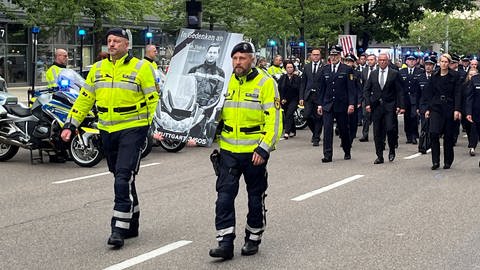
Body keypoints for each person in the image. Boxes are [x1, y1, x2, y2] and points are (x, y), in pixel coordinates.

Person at [60, 28, 159, 248]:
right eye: (109, 41)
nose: (112, 44)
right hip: (107, 131)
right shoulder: (96, 69)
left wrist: (155, 127)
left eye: (116, 41)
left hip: (133, 129)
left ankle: (118, 229)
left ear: (127, 45)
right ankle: (132, 223)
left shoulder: (141, 68)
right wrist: (70, 124)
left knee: (123, 176)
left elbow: (153, 100)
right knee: (121, 177)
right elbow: (84, 100)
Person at [209, 42, 282, 260]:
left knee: (254, 198)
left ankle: (253, 237)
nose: (238, 62)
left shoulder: (266, 83)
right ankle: (225, 242)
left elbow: (275, 121)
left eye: (242, 58)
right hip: (229, 151)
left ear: (252, 59)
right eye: (235, 58)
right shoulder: (226, 81)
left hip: (254, 153)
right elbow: (214, 114)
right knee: (224, 197)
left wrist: (264, 148)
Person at [363, 53, 405, 164]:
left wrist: (401, 106)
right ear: (377, 61)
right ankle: (379, 155)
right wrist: (367, 103)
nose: (382, 62)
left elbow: (400, 91)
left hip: (389, 106)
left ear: (388, 61)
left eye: (384, 60)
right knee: (377, 131)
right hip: (376, 106)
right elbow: (366, 90)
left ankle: (391, 148)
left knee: (390, 128)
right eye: (380, 60)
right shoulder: (373, 74)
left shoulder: (394, 74)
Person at [423, 53, 462, 170]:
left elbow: (458, 93)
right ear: (439, 62)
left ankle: (448, 160)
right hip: (436, 107)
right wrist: (428, 109)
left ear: (449, 63)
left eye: (446, 62)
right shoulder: (434, 76)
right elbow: (430, 94)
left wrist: (457, 109)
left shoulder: (455, 76)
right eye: (442, 61)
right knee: (434, 133)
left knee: (448, 136)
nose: (444, 64)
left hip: (449, 108)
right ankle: (435, 161)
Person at [317, 45, 355, 162]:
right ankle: (327, 155)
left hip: (342, 104)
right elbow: (321, 89)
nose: (333, 57)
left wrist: (351, 103)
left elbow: (351, 88)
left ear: (340, 56)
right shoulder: (325, 69)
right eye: (332, 55)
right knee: (327, 130)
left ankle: (347, 149)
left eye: (336, 55)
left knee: (343, 130)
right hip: (328, 104)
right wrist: (320, 104)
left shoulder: (347, 69)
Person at [188, 43, 225, 140]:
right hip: (190, 106)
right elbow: (185, 87)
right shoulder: (194, 69)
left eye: (214, 52)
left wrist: (206, 107)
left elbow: (218, 94)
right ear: (206, 53)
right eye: (210, 52)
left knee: (197, 135)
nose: (211, 54)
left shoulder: (220, 73)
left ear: (217, 55)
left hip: (206, 109)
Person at [299, 48, 323, 146]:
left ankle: (316, 137)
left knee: (318, 117)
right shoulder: (307, 67)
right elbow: (303, 83)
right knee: (306, 116)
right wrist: (301, 97)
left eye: (317, 54)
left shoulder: (324, 67)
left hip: (319, 95)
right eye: (314, 54)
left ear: (320, 56)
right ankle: (315, 132)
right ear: (311, 56)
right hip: (308, 95)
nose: (316, 56)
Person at [399, 55, 422, 144]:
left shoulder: (420, 71)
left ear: (416, 61)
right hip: (405, 98)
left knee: (414, 117)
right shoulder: (401, 72)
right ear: (406, 61)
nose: (411, 62)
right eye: (409, 60)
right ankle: (408, 136)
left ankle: (414, 135)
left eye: (413, 60)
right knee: (407, 118)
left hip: (415, 98)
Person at [278, 61, 301, 139]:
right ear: (285, 68)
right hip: (285, 100)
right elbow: (280, 89)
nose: (290, 69)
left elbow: (299, 89)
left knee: (289, 113)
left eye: (291, 67)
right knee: (288, 115)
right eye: (288, 67)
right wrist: (282, 98)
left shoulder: (297, 78)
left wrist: (301, 99)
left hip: (294, 99)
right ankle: (293, 130)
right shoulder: (282, 78)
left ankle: (287, 132)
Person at [345, 53, 363, 145]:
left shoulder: (357, 74)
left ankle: (350, 138)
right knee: (344, 121)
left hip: (354, 100)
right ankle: (344, 139)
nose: (348, 63)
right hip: (343, 100)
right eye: (347, 61)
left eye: (350, 61)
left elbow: (359, 88)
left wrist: (359, 101)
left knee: (353, 121)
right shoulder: (342, 72)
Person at [359, 54, 377, 142]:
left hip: (376, 97)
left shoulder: (379, 70)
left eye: (372, 60)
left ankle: (378, 135)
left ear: (375, 60)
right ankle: (365, 134)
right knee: (365, 116)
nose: (370, 61)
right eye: (368, 60)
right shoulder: (364, 71)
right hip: (366, 97)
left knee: (376, 117)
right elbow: (362, 85)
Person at [465, 69, 480, 167]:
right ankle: (472, 146)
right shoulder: (475, 79)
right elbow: (469, 97)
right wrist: (469, 112)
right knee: (475, 132)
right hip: (477, 113)